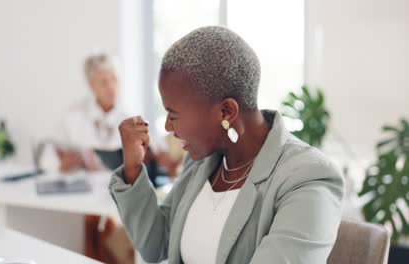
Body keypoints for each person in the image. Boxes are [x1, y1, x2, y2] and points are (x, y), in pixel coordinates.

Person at [109, 26, 344, 263]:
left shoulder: (308, 178)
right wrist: (133, 168)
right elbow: (157, 246)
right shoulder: (202, 162)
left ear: (226, 111)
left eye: (174, 115)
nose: (169, 128)